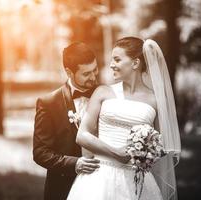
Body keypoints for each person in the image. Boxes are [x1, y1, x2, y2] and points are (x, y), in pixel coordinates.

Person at [67, 37, 181, 200]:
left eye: (117, 59)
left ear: (135, 63)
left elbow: (162, 146)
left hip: (137, 180)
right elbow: (82, 135)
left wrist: (146, 151)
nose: (112, 64)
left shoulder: (155, 101)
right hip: (100, 177)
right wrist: (116, 153)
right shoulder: (102, 92)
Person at [33, 42, 100, 200]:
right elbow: (40, 152)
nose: (93, 77)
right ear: (69, 72)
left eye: (95, 69)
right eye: (86, 73)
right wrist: (75, 164)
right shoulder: (48, 103)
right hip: (64, 188)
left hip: (103, 184)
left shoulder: (106, 96)